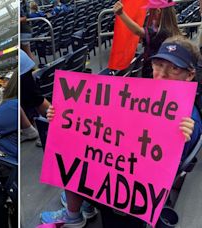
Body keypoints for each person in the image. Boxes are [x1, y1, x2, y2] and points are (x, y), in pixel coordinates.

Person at [40, 35, 202, 227]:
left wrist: (179, 139)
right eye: (158, 64)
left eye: (174, 68)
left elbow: (156, 171)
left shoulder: (187, 122)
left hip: (131, 190)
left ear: (190, 74)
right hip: (121, 167)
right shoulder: (151, 96)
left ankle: (74, 213)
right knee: (77, 141)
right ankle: (84, 205)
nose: (162, 74)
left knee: (71, 155)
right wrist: (63, 116)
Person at [113, 0, 181, 78]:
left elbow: (137, 31)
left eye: (151, 9)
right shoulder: (171, 30)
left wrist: (121, 13)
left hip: (153, 76)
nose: (148, 11)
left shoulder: (160, 33)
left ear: (158, 11)